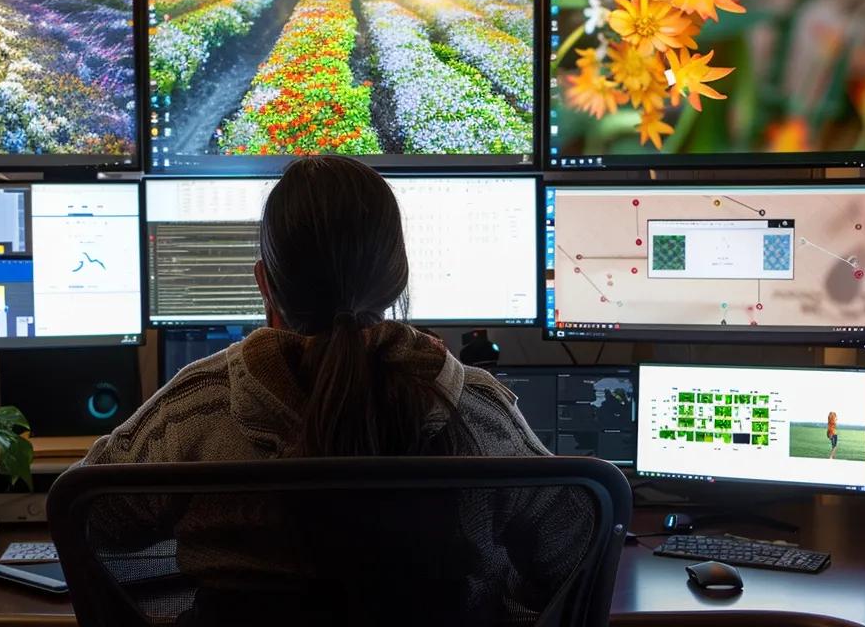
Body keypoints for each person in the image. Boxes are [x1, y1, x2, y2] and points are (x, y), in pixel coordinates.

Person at [79, 155, 574, 624]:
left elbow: (89, 516)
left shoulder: (199, 407)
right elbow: (575, 554)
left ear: (264, 285)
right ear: (398, 283)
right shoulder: (474, 410)